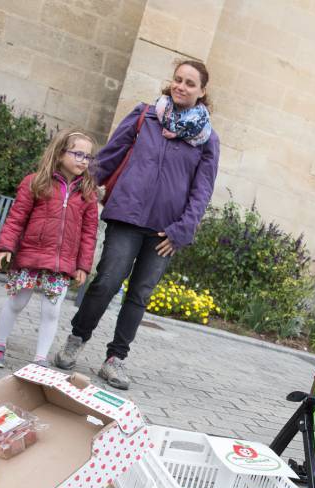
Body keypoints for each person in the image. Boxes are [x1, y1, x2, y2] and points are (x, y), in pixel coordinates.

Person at [54, 60, 220, 390]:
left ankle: (115, 359)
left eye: (189, 83)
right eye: (177, 79)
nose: (181, 86)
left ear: (202, 92)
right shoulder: (146, 115)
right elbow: (111, 154)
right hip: (127, 214)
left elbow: (203, 190)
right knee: (108, 281)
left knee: (140, 295)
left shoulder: (207, 139)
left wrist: (181, 230)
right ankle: (77, 337)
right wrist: (82, 190)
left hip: (165, 232)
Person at [0, 130, 100, 369]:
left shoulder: (88, 195)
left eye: (87, 157)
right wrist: (6, 246)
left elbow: (89, 234)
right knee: (17, 302)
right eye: (77, 153)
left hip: (61, 265)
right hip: (30, 257)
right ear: (60, 154)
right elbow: (16, 218)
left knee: (52, 312)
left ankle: (40, 359)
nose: (83, 160)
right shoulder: (35, 182)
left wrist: (82, 266)